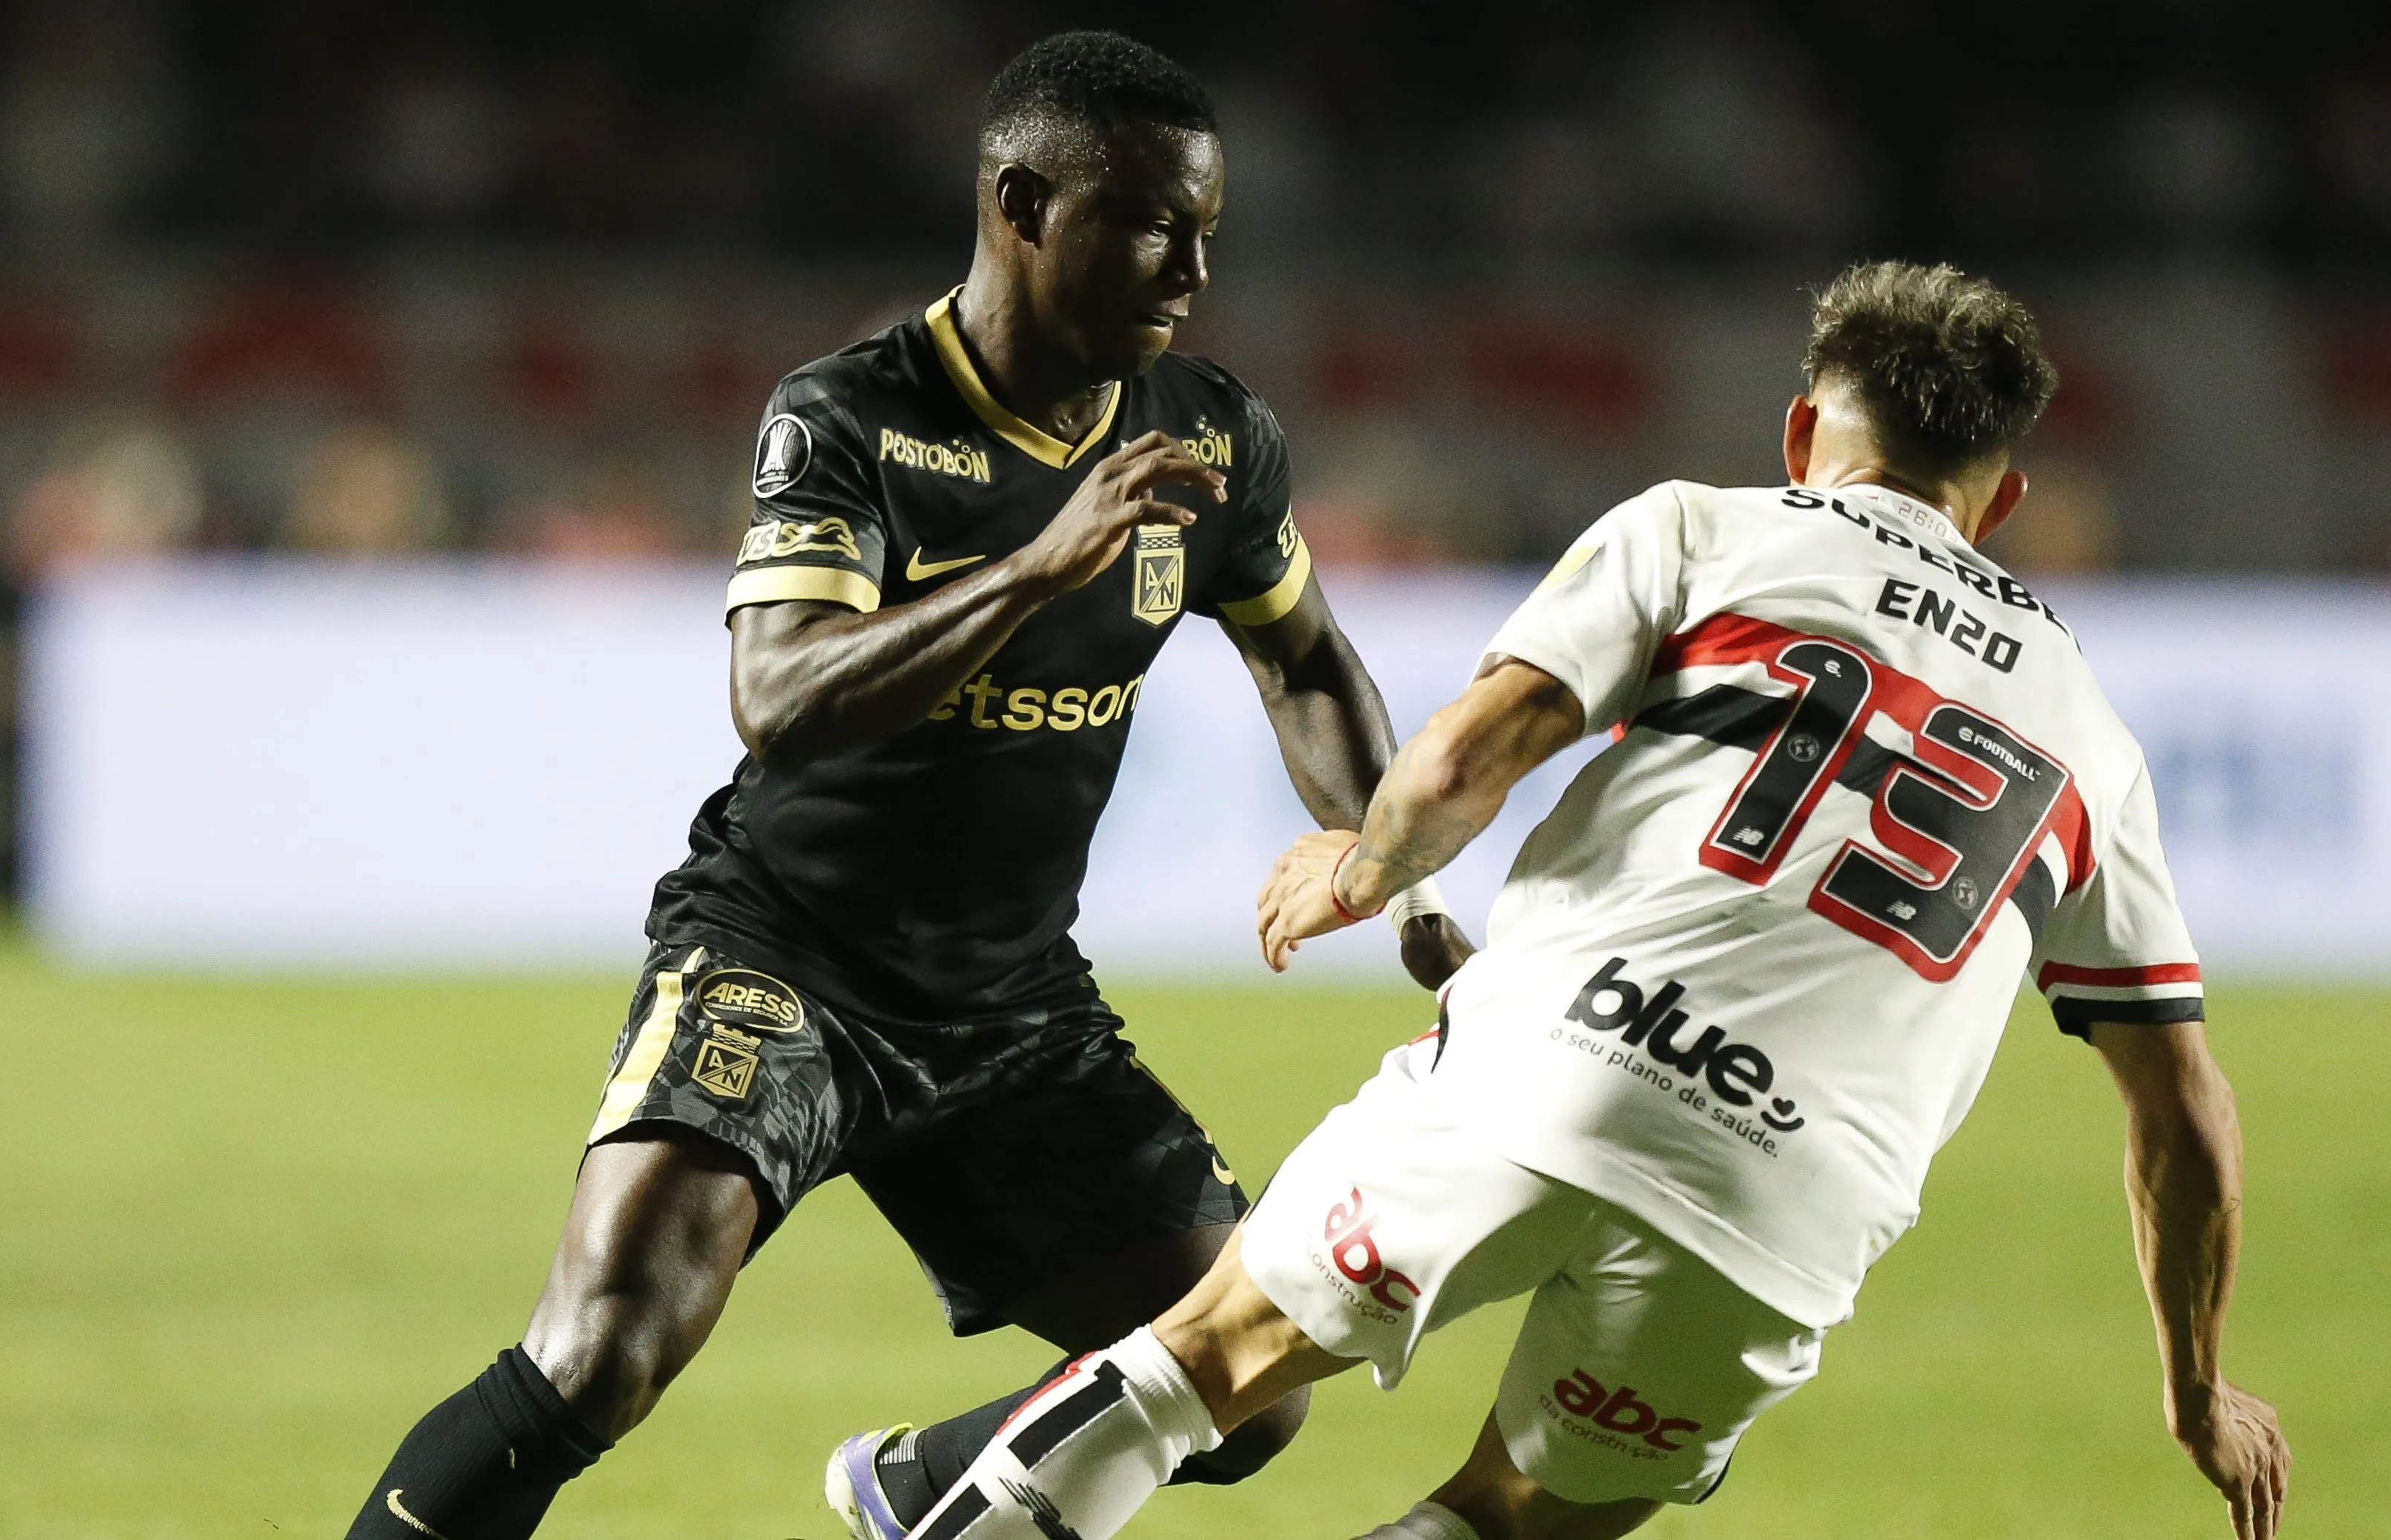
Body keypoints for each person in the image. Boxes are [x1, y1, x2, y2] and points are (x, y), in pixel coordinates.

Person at [895, 261, 2293, 1540]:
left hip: (1557, 1068)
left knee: (1197, 1366)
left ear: (1803, 435)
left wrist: (1362, 871)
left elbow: (1460, 758)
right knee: (1506, 1521)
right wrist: (2194, 1384)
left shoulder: (1709, 533)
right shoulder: (2093, 744)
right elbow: (2188, 1117)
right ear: (2004, 502)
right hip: (1788, 1211)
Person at [342, 32, 1471, 1540]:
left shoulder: (1208, 432)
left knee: (1248, 1388)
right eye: (1151, 225)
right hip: (786, 960)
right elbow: (779, 698)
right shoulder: (852, 416)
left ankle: (931, 1484)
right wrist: (1035, 566)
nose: (1191, 269)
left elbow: (1308, 659)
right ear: (1020, 202)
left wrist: (1390, 863)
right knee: (599, 1351)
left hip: (1012, 1005)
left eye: (1206, 233)